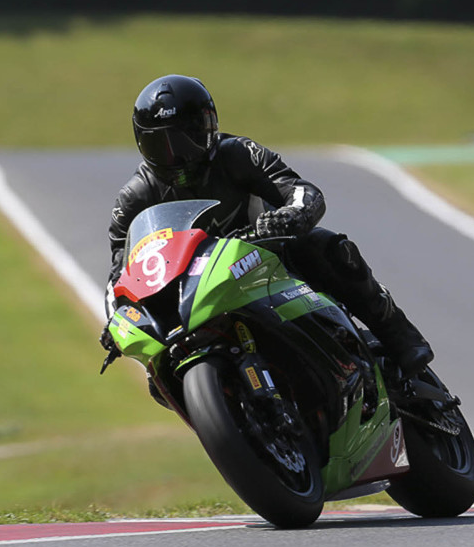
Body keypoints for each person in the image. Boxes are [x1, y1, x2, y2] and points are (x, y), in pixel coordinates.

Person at [100, 74, 433, 379]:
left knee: (330, 249)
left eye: (188, 139)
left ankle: (398, 334)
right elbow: (120, 273)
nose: (179, 157)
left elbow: (302, 190)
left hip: (268, 262)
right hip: (194, 296)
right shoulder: (136, 196)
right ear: (143, 145)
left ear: (209, 127)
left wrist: (291, 215)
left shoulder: (238, 154)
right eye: (163, 146)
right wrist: (117, 319)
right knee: (159, 369)